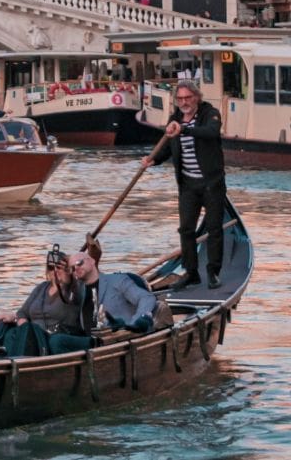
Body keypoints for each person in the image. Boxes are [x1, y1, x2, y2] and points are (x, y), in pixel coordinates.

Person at [140, 79, 226, 290]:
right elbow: (169, 146)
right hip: (188, 185)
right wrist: (153, 159)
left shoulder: (209, 114)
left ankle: (213, 271)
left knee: (214, 228)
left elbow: (211, 132)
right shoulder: (175, 119)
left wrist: (184, 130)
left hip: (211, 184)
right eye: (180, 98)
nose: (184, 102)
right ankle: (191, 272)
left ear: (196, 97)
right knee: (186, 229)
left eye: (188, 97)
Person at [0, 245, 85, 356]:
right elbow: (22, 312)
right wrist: (24, 327)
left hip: (56, 336)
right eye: (51, 268)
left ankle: (18, 360)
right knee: (6, 328)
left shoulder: (75, 288)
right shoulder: (42, 287)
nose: (55, 271)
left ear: (68, 270)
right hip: (33, 336)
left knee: (29, 329)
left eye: (59, 267)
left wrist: (72, 268)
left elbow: (86, 277)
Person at [61, 251, 160, 345]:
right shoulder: (78, 292)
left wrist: (134, 324)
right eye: (72, 268)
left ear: (92, 261)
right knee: (55, 339)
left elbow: (147, 298)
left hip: (120, 341)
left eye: (79, 263)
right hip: (91, 343)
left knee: (57, 341)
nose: (76, 268)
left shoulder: (117, 281)